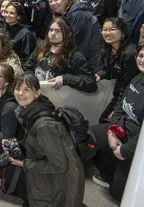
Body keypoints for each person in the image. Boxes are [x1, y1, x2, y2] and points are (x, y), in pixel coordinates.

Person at [91, 40, 144, 202]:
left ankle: (119, 175)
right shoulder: (138, 77)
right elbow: (121, 104)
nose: (143, 60)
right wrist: (112, 131)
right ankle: (112, 174)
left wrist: (125, 151)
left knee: (118, 193)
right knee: (91, 135)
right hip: (123, 130)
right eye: (140, 55)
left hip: (139, 143)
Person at [10, 73, 85, 207]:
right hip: (47, 176)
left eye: (27, 89)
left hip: (52, 184)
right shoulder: (35, 110)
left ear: (37, 93)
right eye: (17, 89)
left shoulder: (44, 126)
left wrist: (24, 164)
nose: (20, 93)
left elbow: (59, 165)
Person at [23, 17, 97, 93]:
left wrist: (65, 78)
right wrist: (34, 81)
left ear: (68, 34)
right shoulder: (41, 47)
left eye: (58, 31)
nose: (52, 34)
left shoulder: (74, 56)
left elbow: (91, 83)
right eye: (51, 30)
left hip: (60, 100)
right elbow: (27, 67)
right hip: (37, 95)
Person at [48, 0, 101, 71]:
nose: (53, 3)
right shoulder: (61, 16)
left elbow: (77, 43)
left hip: (91, 61)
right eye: (50, 1)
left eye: (56, 0)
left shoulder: (79, 15)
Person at [96, 17, 138, 123]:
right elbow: (110, 69)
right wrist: (100, 74)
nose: (107, 33)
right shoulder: (109, 48)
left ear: (122, 33)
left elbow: (129, 85)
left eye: (113, 29)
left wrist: (117, 110)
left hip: (131, 98)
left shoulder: (130, 54)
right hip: (119, 93)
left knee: (106, 123)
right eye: (105, 30)